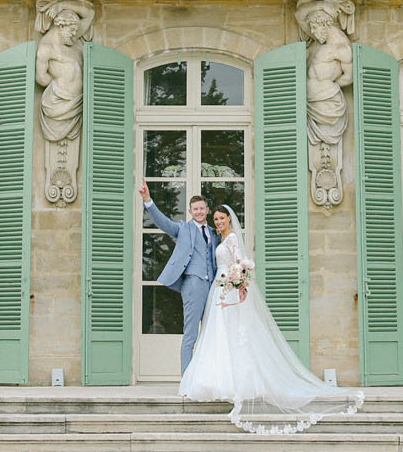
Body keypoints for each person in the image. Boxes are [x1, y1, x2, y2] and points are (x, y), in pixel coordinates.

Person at [176, 204, 365, 433]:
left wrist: (239, 285)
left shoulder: (233, 238)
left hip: (229, 290)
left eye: (222, 218)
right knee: (220, 334)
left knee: (235, 334)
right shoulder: (220, 239)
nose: (218, 222)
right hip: (220, 288)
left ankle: (238, 382)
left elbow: (240, 265)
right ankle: (220, 380)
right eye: (215, 219)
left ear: (229, 219)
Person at [139, 182, 218, 376]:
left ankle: (207, 378)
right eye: (195, 209)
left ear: (207, 210)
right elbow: (163, 222)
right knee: (190, 335)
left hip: (214, 287)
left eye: (202, 208)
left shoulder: (214, 233)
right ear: (190, 211)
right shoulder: (183, 229)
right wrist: (148, 200)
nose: (199, 212)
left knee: (211, 335)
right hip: (193, 284)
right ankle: (187, 381)